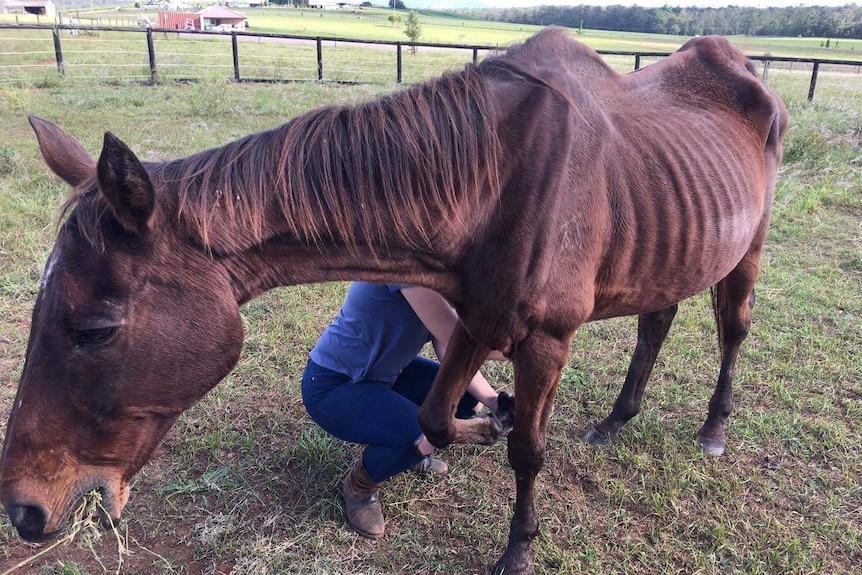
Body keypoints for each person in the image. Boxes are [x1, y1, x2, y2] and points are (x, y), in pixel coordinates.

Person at [301, 282, 514, 539]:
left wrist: (493, 400)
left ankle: (408, 453)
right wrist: (526, 346)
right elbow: (454, 336)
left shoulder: (446, 274)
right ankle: (360, 487)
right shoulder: (406, 268)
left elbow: (449, 349)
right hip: (333, 385)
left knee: (466, 398)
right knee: (426, 432)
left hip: (387, 375)